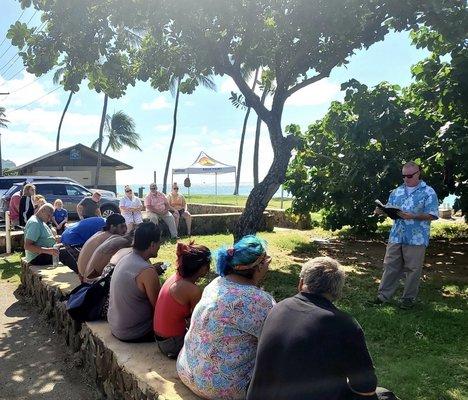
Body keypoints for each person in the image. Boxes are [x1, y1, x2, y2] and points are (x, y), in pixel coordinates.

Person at [246, 257, 398, 400]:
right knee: (383, 394)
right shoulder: (344, 324)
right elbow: (366, 388)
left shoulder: (278, 308)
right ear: (337, 292)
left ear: (301, 283)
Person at [177, 235, 275, 400]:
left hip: (187, 371)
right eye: (267, 261)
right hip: (222, 388)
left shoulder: (216, 284)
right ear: (258, 267)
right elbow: (273, 344)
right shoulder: (260, 301)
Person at [374, 161, 439, 309]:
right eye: (404, 176)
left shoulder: (428, 191)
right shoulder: (396, 191)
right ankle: (382, 297)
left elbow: (433, 215)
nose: (406, 179)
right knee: (390, 266)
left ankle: (408, 299)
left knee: (413, 269)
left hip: (416, 237)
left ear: (418, 173)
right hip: (396, 235)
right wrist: (381, 211)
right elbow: (391, 210)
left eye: (409, 176)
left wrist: (414, 216)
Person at [108, 222, 163, 342]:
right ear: (152, 244)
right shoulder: (147, 271)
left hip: (115, 326)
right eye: (159, 242)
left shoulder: (126, 258)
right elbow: (159, 307)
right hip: (134, 332)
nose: (160, 245)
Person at [154, 241, 211, 358]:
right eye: (208, 265)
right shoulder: (193, 290)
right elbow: (197, 323)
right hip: (173, 345)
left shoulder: (175, 278)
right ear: (202, 267)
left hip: (161, 340)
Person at [77, 214, 127, 281]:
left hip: (83, 275)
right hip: (89, 279)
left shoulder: (99, 233)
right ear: (112, 227)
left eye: (125, 226)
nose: (125, 230)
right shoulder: (111, 238)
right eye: (122, 226)